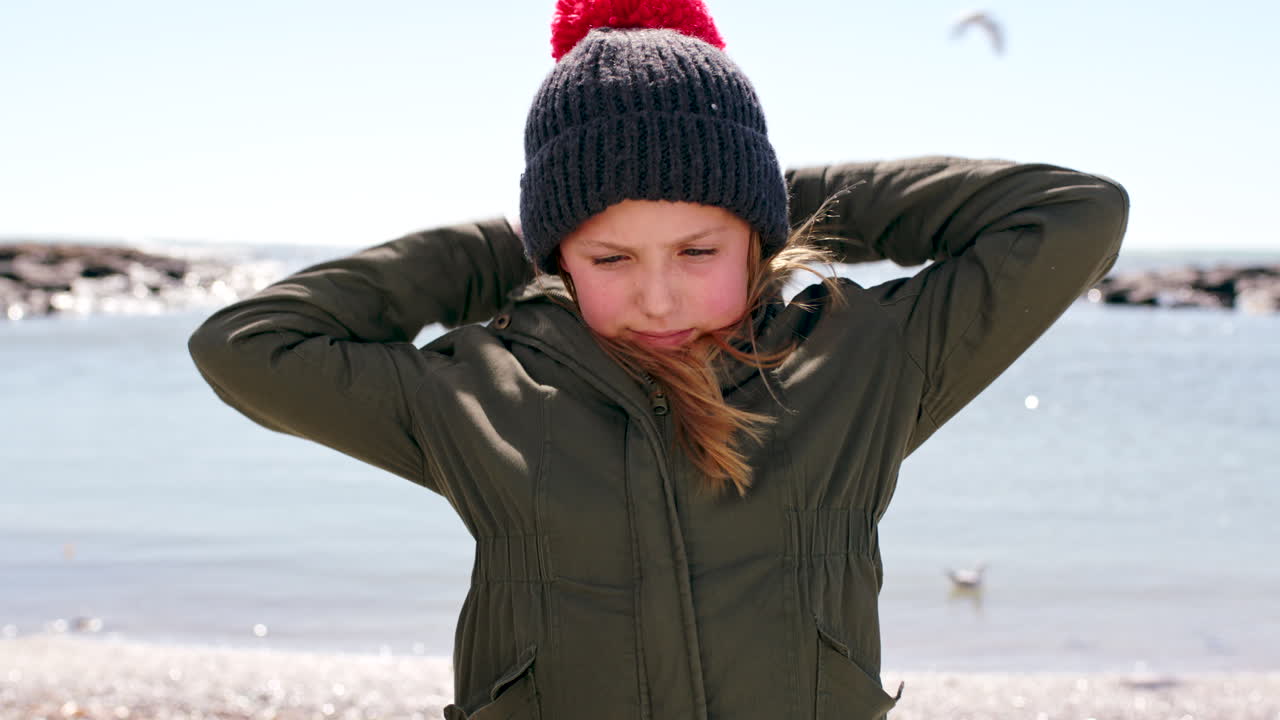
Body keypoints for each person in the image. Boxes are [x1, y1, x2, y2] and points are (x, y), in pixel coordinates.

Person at [188, 1, 1130, 717]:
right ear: (555, 253)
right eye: (608, 257)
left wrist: (766, 189)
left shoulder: (863, 361)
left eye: (698, 250)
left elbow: (1073, 215)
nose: (657, 296)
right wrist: (494, 250)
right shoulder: (475, 392)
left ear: (757, 239)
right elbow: (245, 346)